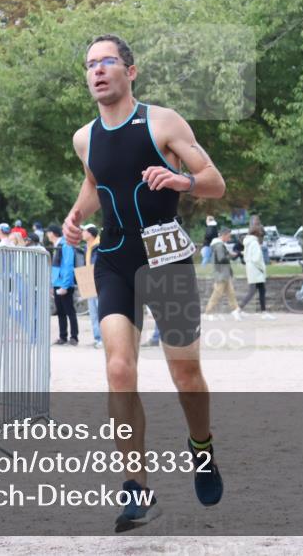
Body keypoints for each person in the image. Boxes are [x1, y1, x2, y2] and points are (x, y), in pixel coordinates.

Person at [63, 34, 225, 530]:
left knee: (186, 375)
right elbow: (96, 183)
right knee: (117, 369)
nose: (98, 71)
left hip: (166, 256)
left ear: (130, 72)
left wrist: (183, 182)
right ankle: (137, 487)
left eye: (108, 62)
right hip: (112, 257)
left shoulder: (163, 121)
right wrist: (74, 216)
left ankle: (201, 448)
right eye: (91, 64)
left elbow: (215, 181)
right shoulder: (83, 137)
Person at [47, 224, 79, 345]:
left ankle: (74, 337)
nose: (47, 235)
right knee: (60, 311)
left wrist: (65, 286)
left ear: (52, 233)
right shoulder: (57, 245)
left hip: (65, 284)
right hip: (57, 283)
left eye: (48, 232)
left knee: (69, 311)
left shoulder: (65, 244)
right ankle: (63, 336)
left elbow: (68, 266)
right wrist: (52, 284)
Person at [239, 220, 275, 320]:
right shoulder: (254, 243)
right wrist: (262, 268)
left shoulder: (248, 242)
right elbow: (257, 259)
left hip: (252, 270)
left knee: (261, 290)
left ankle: (264, 312)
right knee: (253, 291)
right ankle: (238, 310)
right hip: (256, 270)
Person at [204, 228, 242, 320]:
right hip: (221, 273)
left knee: (231, 293)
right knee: (217, 294)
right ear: (223, 235)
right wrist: (230, 255)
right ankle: (208, 313)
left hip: (223, 273)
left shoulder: (219, 245)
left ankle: (236, 310)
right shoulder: (219, 245)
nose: (229, 238)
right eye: (228, 236)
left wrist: (232, 255)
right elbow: (221, 259)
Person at [82, 225, 103, 349]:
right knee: (93, 312)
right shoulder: (87, 247)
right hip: (88, 280)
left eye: (84, 231)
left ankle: (103, 339)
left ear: (90, 233)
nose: (82, 233)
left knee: (100, 311)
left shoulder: (100, 246)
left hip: (98, 281)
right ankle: (97, 338)